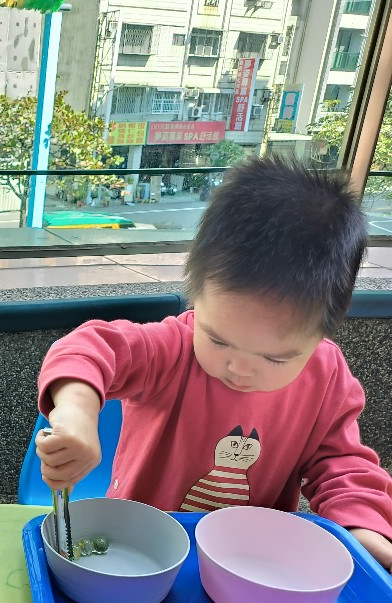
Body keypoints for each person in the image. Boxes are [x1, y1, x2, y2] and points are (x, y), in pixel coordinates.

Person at [36, 157, 392, 572]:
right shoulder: (172, 348)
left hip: (249, 561)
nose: (239, 369)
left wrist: (363, 530)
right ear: (197, 297)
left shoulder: (326, 377)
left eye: (275, 357)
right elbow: (89, 347)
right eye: (218, 339)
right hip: (140, 547)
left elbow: (343, 466)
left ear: (323, 333)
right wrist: (78, 413)